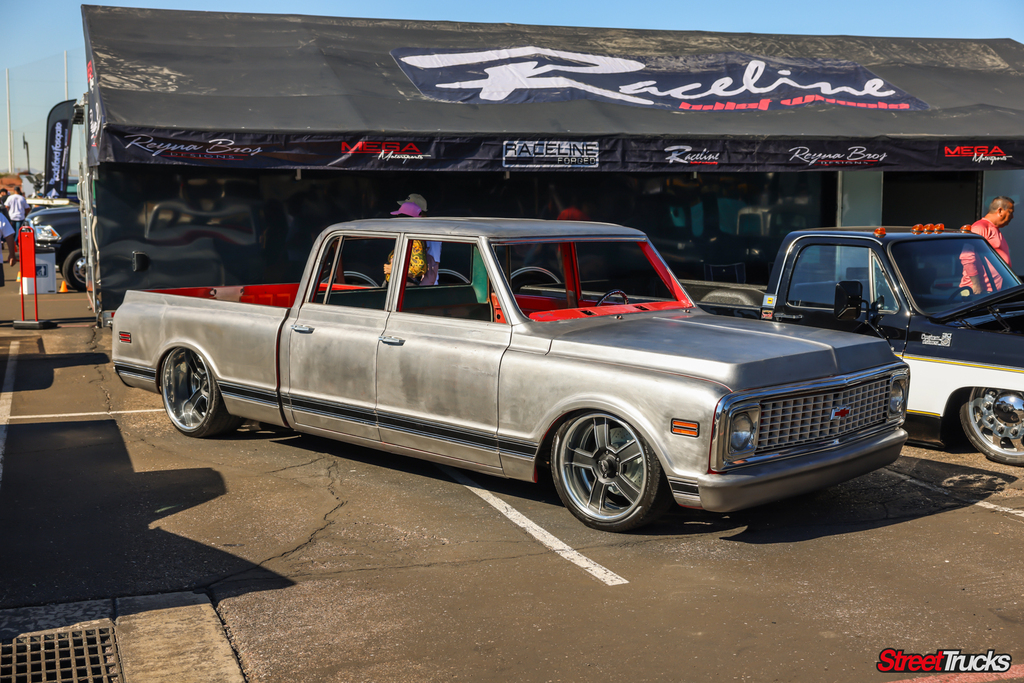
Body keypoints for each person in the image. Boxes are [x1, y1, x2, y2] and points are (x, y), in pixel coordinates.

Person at [960, 196, 1015, 294]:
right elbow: (966, 256)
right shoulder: (980, 227)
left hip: (992, 291)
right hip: (978, 292)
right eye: (1010, 212)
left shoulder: (994, 229)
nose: (1012, 217)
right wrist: (976, 284)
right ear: (1000, 211)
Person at [391, 193, 441, 285]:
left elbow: (432, 269)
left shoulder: (431, 234)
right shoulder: (410, 232)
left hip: (421, 286)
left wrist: (420, 292)